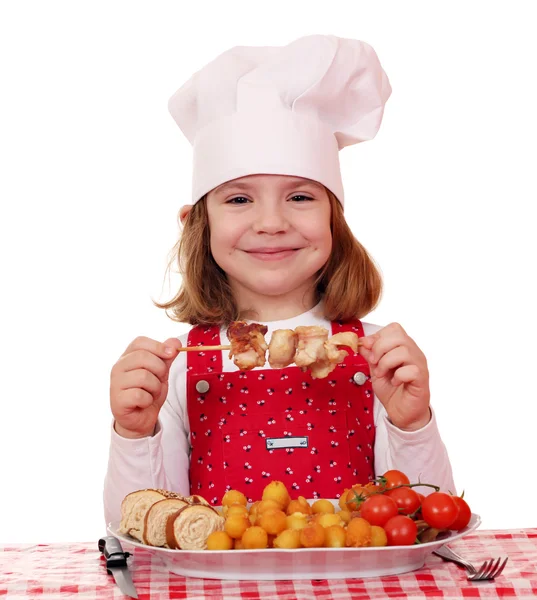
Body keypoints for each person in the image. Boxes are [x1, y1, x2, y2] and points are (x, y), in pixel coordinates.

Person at [103, 34, 455, 525]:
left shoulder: (374, 359)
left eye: (301, 197)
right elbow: (143, 531)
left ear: (335, 221)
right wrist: (134, 433)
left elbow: (427, 521)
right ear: (196, 223)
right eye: (239, 199)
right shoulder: (179, 370)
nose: (271, 222)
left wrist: (412, 424)